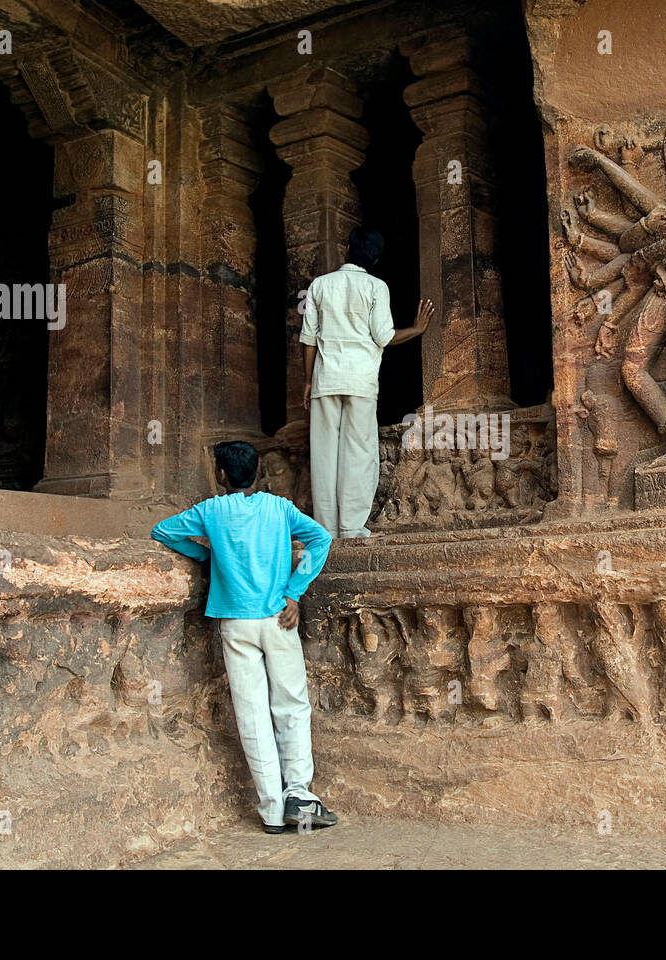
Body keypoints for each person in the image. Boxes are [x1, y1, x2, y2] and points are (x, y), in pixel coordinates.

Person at [151, 440, 334, 834]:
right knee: (292, 704)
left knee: (251, 712)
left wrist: (206, 555)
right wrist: (294, 590)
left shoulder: (210, 511)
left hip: (235, 622)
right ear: (257, 474)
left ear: (220, 475)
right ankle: (300, 797)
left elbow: (162, 530)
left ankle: (271, 811)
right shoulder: (278, 507)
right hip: (278, 617)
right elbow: (321, 539)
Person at [299, 227, 434, 538]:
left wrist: (308, 382)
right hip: (360, 382)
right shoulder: (376, 287)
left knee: (324, 454)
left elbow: (308, 340)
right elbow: (384, 337)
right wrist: (415, 329)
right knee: (358, 452)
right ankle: (350, 526)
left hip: (325, 380)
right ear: (375, 257)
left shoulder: (319, 285)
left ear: (347, 249)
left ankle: (326, 529)